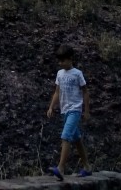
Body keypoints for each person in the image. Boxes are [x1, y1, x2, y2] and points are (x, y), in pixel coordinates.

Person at [46, 45, 91, 180]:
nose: (61, 64)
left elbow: (85, 92)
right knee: (77, 139)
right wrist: (51, 107)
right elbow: (57, 92)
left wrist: (86, 111)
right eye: (59, 61)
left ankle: (60, 168)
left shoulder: (77, 74)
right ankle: (87, 167)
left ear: (70, 59)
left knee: (65, 136)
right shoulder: (60, 73)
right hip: (64, 111)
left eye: (63, 61)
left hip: (75, 110)